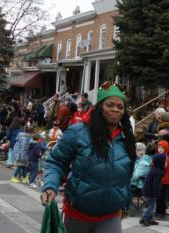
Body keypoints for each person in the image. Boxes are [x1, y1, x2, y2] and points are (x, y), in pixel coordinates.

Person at [41, 82, 136, 233]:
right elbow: (56, 162)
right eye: (110, 105)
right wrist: (50, 186)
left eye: (120, 107)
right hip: (78, 214)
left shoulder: (127, 139)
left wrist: (125, 202)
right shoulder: (78, 132)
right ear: (99, 107)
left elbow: (127, 174)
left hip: (110, 216)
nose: (115, 110)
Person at [140, 153, 166, 227]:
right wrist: (157, 194)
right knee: (152, 207)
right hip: (150, 192)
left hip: (148, 191)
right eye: (164, 161)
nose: (165, 163)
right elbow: (156, 185)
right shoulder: (157, 172)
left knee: (152, 206)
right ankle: (144, 218)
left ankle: (150, 219)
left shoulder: (154, 169)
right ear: (161, 162)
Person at [155, 140, 169, 219]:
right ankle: (157, 211)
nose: (160, 149)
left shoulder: (166, 158)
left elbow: (163, 168)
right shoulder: (157, 156)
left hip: (163, 180)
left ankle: (162, 213)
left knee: (162, 197)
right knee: (157, 197)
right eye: (159, 147)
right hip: (157, 180)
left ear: (166, 148)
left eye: (162, 148)